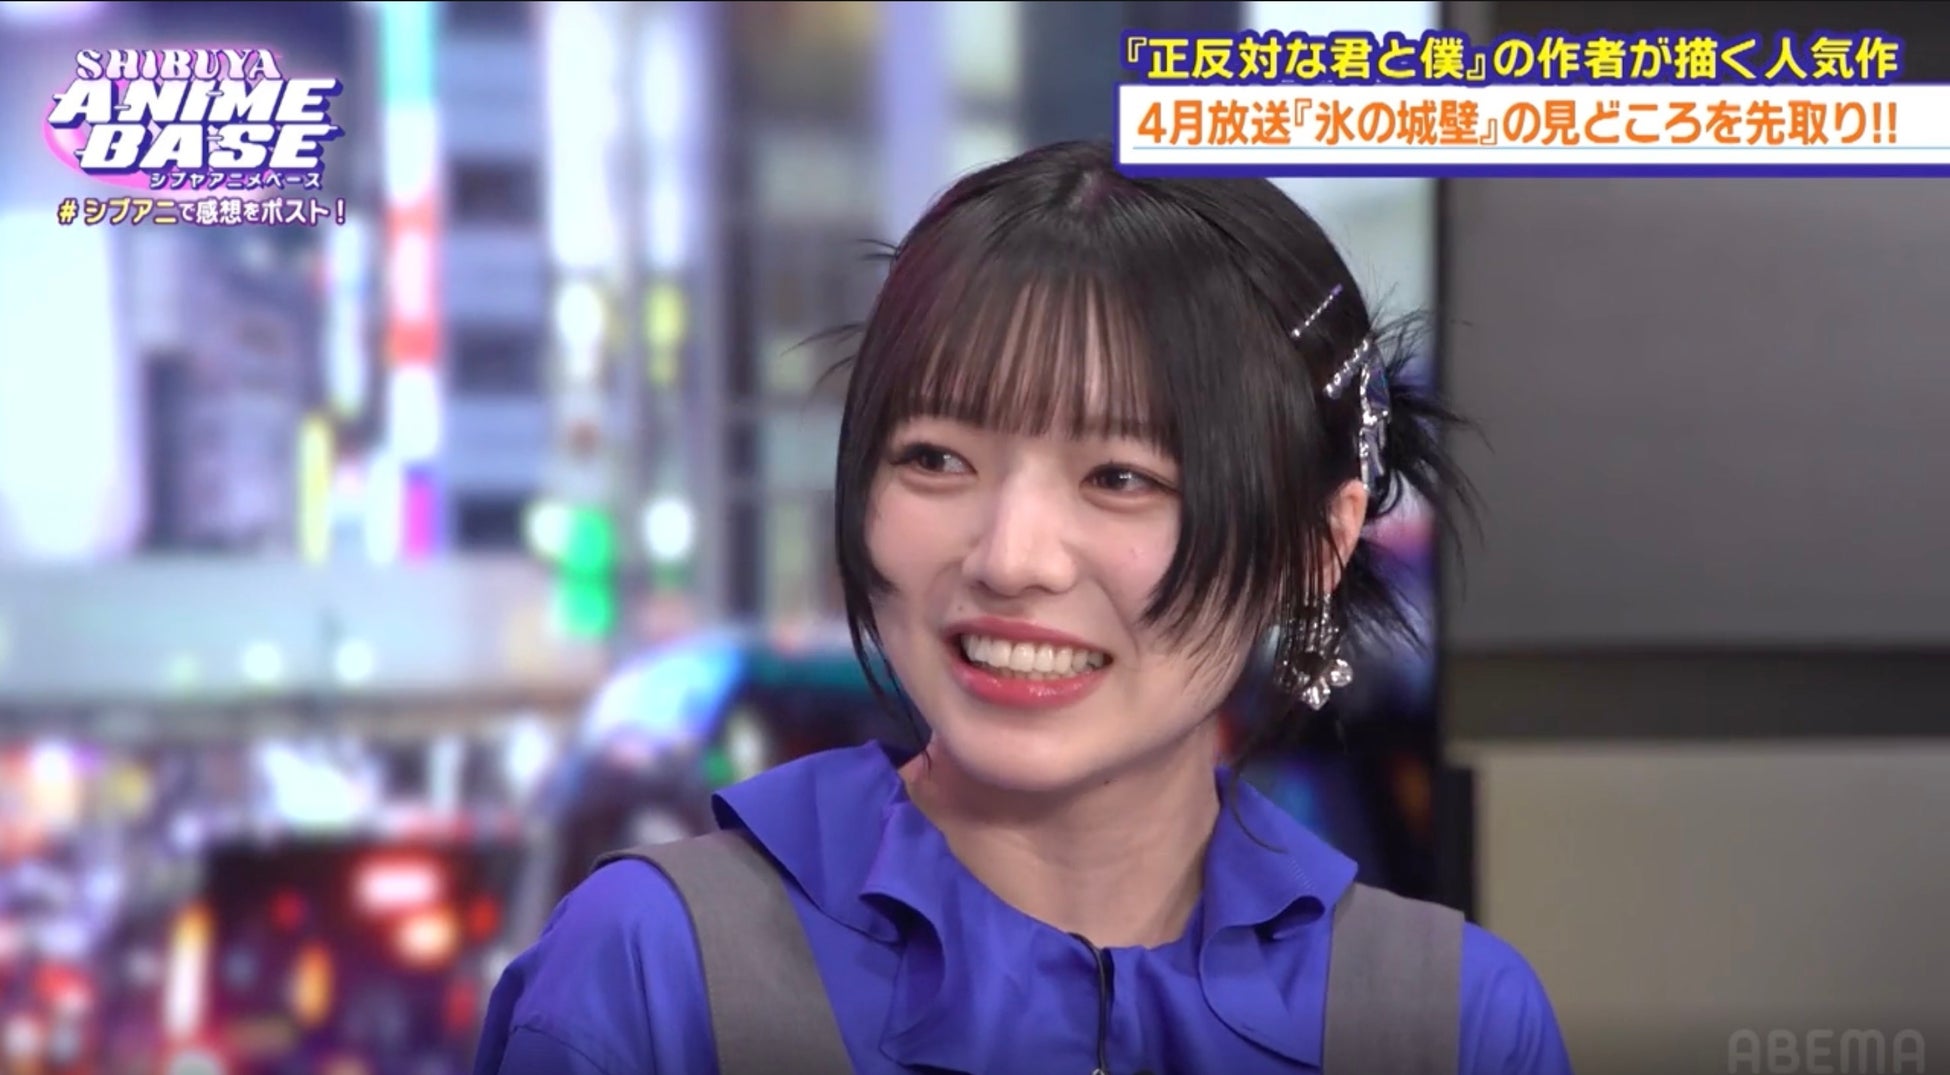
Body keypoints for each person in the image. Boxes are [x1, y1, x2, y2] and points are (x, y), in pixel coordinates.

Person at [474, 140, 1573, 1075]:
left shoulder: (1451, 1022)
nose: (1010, 558)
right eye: (937, 458)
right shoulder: (655, 976)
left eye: (1121, 477)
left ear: (1314, 544)